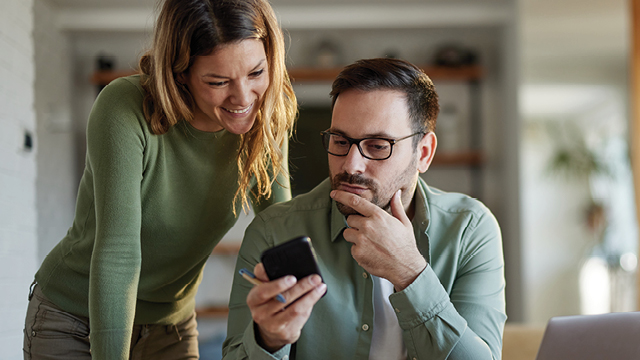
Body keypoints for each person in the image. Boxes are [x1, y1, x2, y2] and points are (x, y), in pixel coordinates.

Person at [23, 0, 297, 358]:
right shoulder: (124, 108)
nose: (243, 98)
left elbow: (282, 232)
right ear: (179, 72)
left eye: (256, 73)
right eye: (218, 81)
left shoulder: (265, 118)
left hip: (170, 326)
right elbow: (118, 254)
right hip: (76, 317)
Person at [222, 58, 506, 359]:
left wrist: (410, 272)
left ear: (423, 153)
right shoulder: (273, 230)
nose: (351, 165)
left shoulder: (470, 229)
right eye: (341, 141)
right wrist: (269, 340)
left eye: (378, 145)